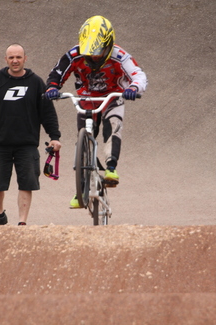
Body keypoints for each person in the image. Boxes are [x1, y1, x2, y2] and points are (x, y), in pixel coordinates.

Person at [45, 15, 147, 208]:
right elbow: (57, 73)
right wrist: (51, 88)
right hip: (87, 98)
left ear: (109, 45)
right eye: (89, 52)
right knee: (83, 138)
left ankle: (110, 168)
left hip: (112, 97)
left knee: (113, 125)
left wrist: (133, 88)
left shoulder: (120, 56)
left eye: (99, 51)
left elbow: (138, 74)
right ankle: (80, 188)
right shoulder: (74, 55)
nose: (94, 56)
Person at [0, 43, 61, 226]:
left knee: (27, 183)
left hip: (27, 144)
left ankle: (22, 223)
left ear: (25, 58)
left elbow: (47, 113)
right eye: (11, 57)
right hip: (0, 143)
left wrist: (54, 136)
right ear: (6, 60)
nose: (15, 60)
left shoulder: (36, 83)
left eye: (18, 57)